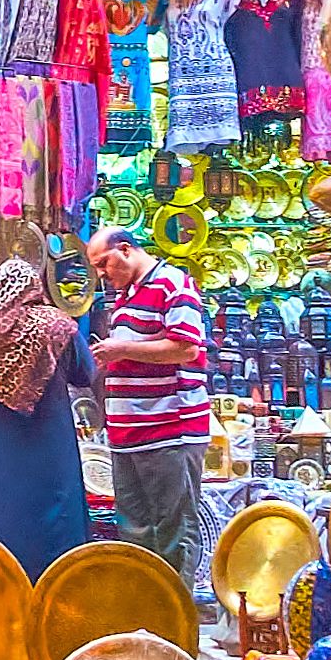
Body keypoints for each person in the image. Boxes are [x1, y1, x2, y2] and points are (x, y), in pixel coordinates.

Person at [88, 227, 217, 602]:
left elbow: (185, 348)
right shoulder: (126, 296)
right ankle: (146, 613)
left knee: (174, 530)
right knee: (135, 530)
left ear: (125, 250)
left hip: (169, 430)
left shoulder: (172, 284)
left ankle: (175, 623)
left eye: (104, 264)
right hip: (129, 434)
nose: (102, 274)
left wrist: (121, 348)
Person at [0, 256, 96, 580]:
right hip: (51, 437)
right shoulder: (58, 324)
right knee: (56, 511)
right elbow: (86, 373)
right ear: (35, 286)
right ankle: (56, 586)